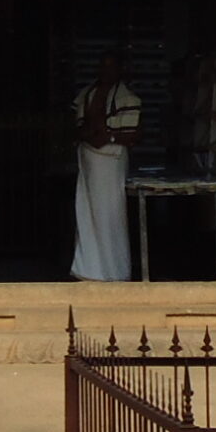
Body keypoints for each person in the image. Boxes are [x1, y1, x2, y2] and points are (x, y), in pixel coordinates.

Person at [69, 50, 142, 280]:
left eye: (111, 66)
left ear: (120, 70)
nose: (105, 71)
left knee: (111, 215)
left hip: (111, 162)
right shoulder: (87, 94)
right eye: (102, 66)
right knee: (87, 213)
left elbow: (132, 135)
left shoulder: (128, 98)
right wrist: (91, 134)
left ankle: (114, 272)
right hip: (89, 161)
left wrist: (108, 137)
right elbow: (79, 128)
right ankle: (88, 270)